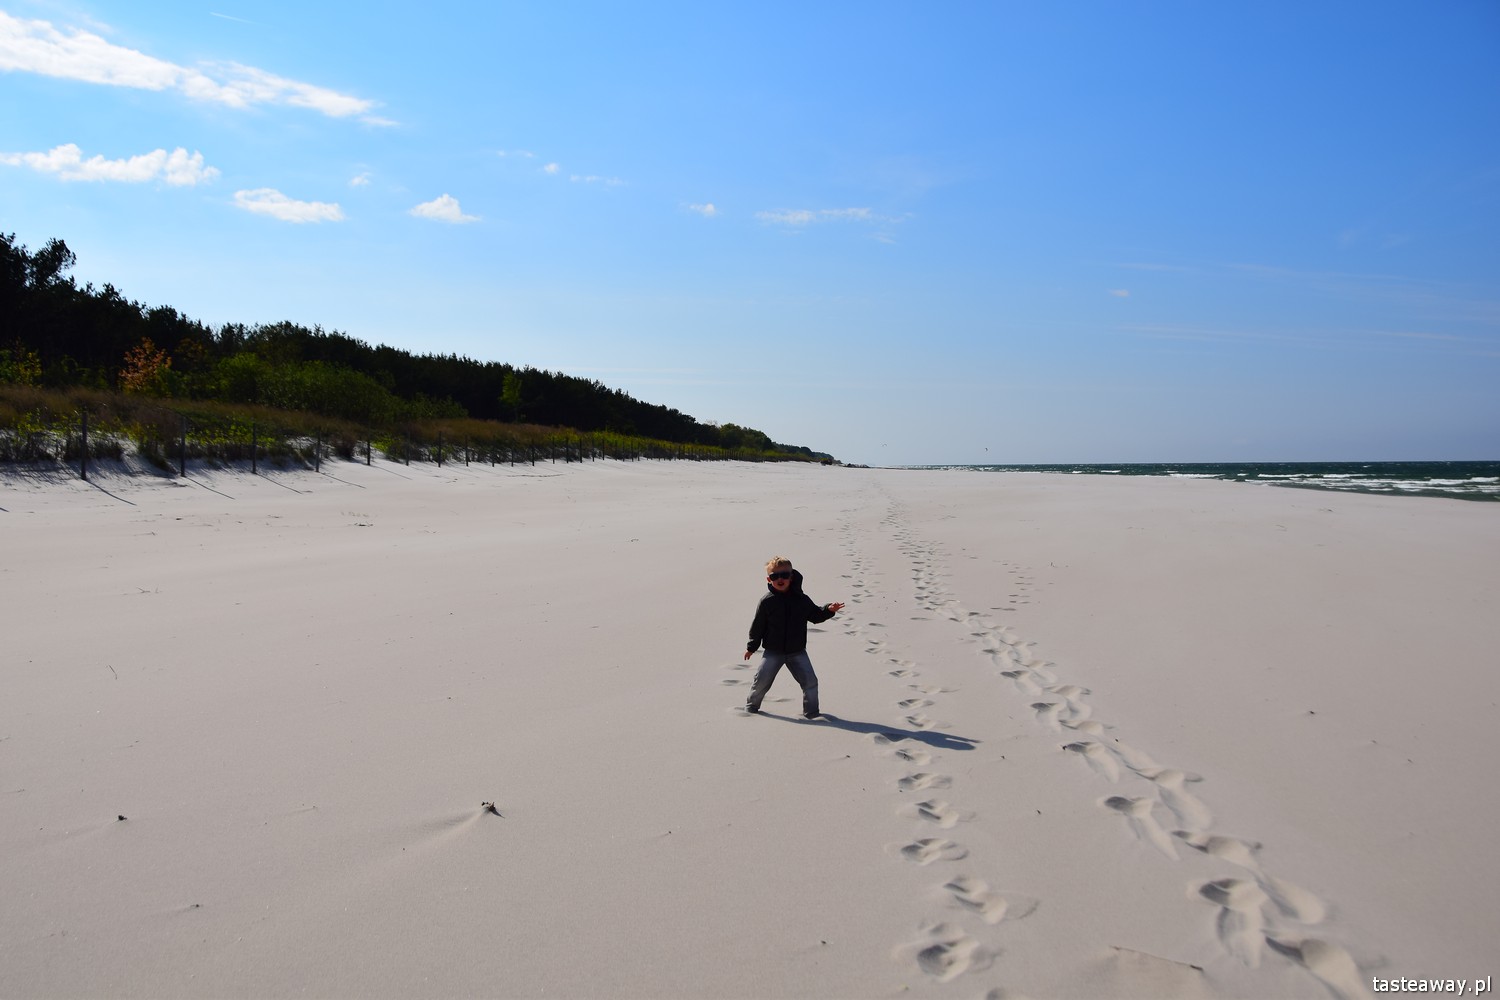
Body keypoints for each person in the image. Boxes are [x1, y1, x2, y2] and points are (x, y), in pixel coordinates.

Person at [742, 556, 845, 719]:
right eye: (775, 576)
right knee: (761, 680)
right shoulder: (766, 602)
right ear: (769, 579)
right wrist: (751, 647)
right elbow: (758, 626)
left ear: (791, 577)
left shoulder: (801, 600)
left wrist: (829, 610)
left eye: (784, 575)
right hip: (773, 651)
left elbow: (815, 615)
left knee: (810, 681)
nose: (780, 579)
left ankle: (812, 712)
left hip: (797, 651)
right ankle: (752, 707)